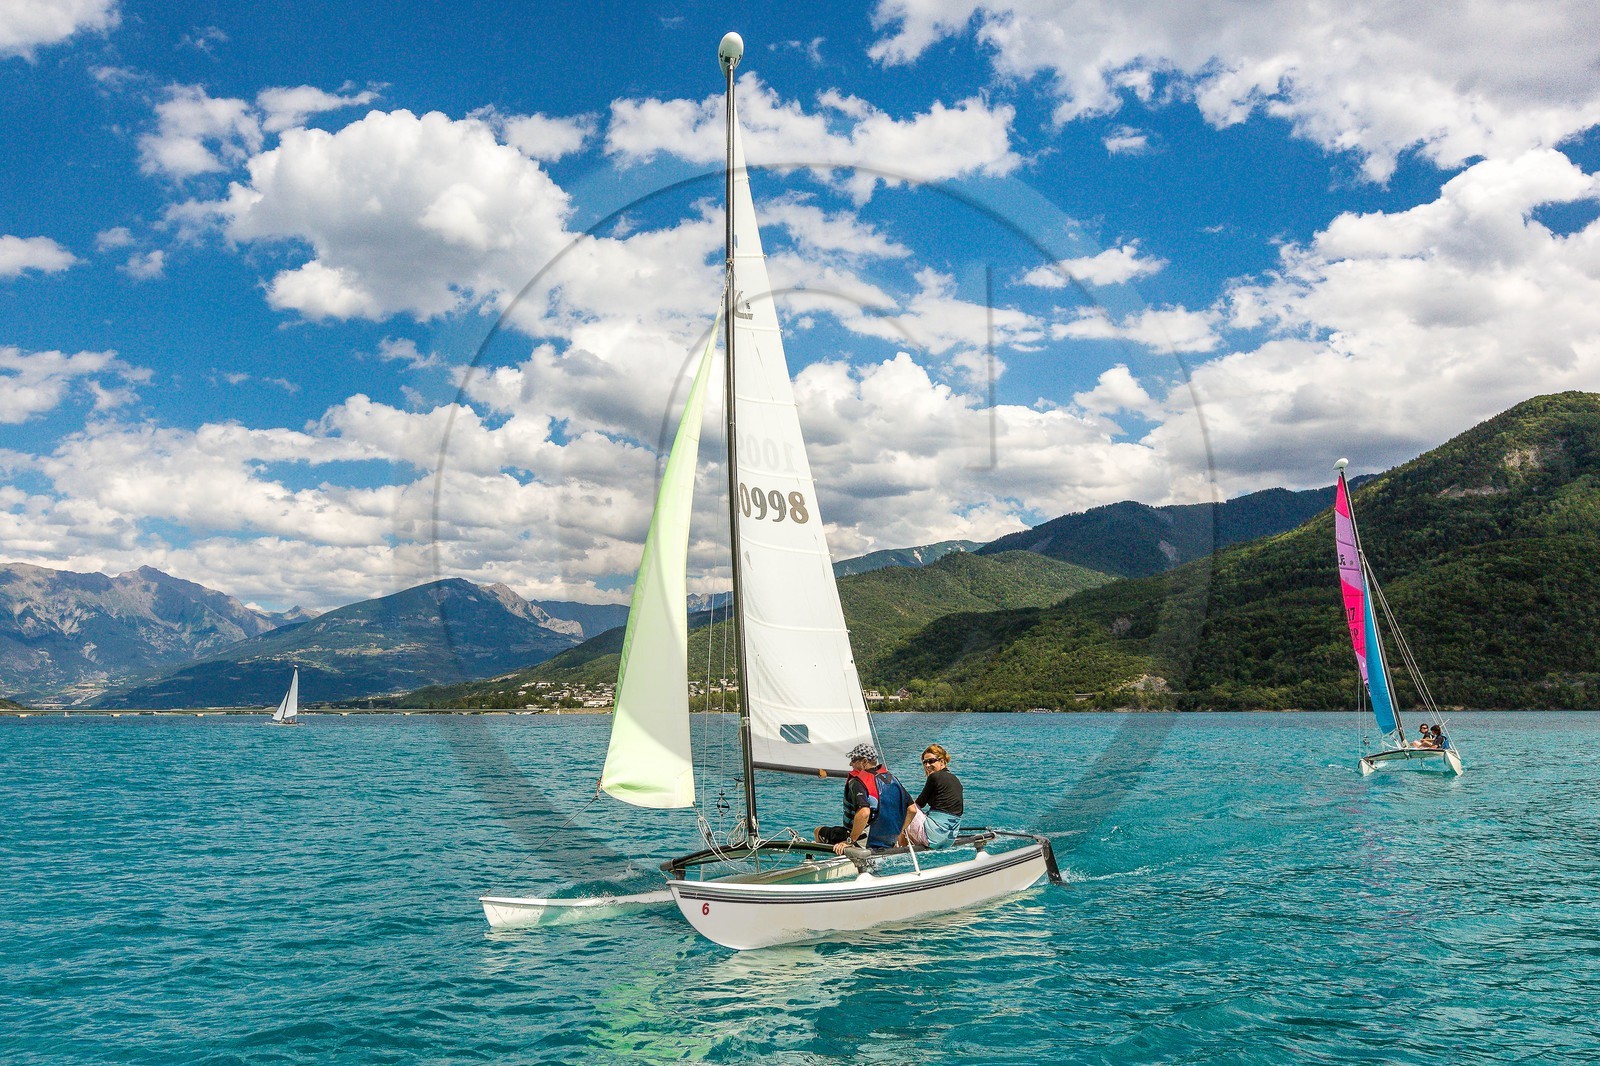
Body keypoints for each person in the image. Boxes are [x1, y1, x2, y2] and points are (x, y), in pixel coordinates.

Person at [813, 743, 913, 854]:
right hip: (888, 841)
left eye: (853, 760)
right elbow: (912, 809)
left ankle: (832, 859)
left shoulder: (858, 781)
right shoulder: (892, 779)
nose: (850, 763)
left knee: (818, 831)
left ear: (864, 761)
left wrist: (849, 841)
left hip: (864, 842)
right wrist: (898, 833)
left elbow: (864, 813)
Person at [899, 743, 963, 849]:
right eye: (925, 762)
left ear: (942, 761)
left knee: (903, 807)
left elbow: (918, 804)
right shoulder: (955, 779)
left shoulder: (934, 777)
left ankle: (900, 848)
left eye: (931, 761)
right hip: (949, 839)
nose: (927, 765)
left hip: (933, 837)